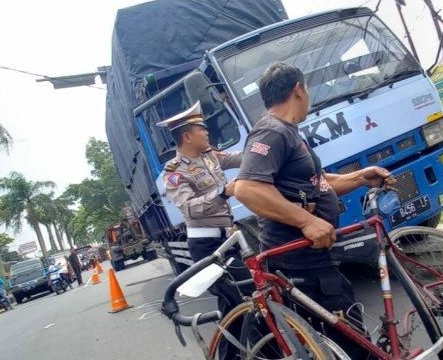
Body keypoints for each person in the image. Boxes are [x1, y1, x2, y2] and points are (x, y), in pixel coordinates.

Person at [234, 62, 393, 358]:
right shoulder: (272, 132)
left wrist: (360, 177)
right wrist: (307, 221)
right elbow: (247, 188)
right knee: (350, 344)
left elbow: (316, 183)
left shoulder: (289, 132)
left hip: (312, 256)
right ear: (298, 89)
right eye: (307, 90)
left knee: (342, 338)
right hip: (296, 260)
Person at [157, 101, 252, 359]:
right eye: (201, 128)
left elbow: (243, 157)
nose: (207, 131)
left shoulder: (210, 156)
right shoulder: (174, 172)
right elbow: (189, 208)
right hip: (207, 248)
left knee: (236, 303)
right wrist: (222, 192)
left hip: (228, 240)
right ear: (187, 136)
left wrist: (264, 145)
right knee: (245, 296)